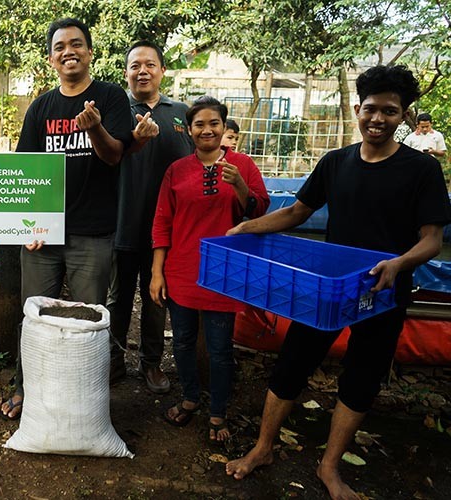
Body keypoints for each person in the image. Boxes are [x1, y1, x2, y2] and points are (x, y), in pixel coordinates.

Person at [224, 65, 451, 499]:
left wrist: (399, 264)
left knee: (361, 377)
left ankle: (330, 467)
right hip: (327, 290)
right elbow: (296, 212)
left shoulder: (420, 170)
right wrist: (249, 227)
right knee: (292, 363)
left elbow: (432, 240)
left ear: (403, 116)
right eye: (371, 109)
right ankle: (263, 448)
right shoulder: (336, 163)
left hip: (383, 293)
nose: (378, 119)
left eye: (390, 110)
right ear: (356, 109)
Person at [0, 17, 134, 420]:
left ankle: (82, 396)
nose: (68, 51)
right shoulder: (41, 106)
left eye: (76, 44)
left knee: (87, 320)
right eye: (60, 47)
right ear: (51, 58)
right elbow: (25, 172)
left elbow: (115, 155)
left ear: (90, 52)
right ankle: (27, 388)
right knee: (34, 316)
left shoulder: (109, 98)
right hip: (43, 237)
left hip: (92, 234)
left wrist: (94, 131)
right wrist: (28, 225)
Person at [149, 96, 270, 440]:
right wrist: (158, 272)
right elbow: (162, 221)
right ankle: (189, 398)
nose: (207, 129)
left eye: (213, 123)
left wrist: (240, 186)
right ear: (189, 130)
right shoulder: (177, 170)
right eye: (199, 124)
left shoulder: (243, 165)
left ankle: (218, 412)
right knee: (183, 341)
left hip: (225, 273)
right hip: (182, 270)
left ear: (224, 127)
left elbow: (258, 212)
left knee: (220, 348)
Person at [107, 40, 193, 392]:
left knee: (157, 297)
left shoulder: (181, 113)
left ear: (162, 70)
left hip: (166, 231)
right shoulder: (115, 111)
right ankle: (112, 361)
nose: (142, 71)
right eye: (135, 66)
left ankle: (152, 363)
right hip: (120, 223)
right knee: (117, 298)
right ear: (126, 72)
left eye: (150, 64)